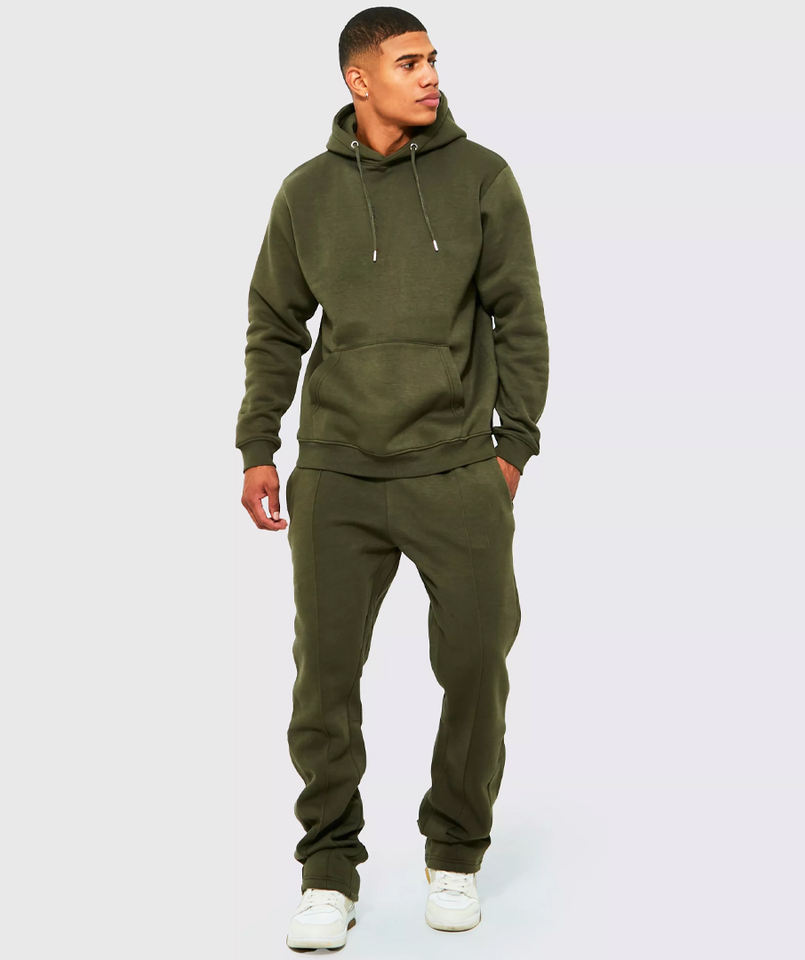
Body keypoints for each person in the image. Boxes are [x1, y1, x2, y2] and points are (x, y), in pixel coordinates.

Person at [235, 6, 549, 949]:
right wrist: (259, 445)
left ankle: (454, 852)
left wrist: (511, 448)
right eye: (409, 62)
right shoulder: (306, 193)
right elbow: (275, 324)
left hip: (456, 471)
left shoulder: (483, 177)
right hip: (337, 473)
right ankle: (328, 870)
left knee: (476, 666)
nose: (430, 75)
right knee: (324, 682)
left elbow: (520, 318)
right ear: (357, 79)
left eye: (433, 59)